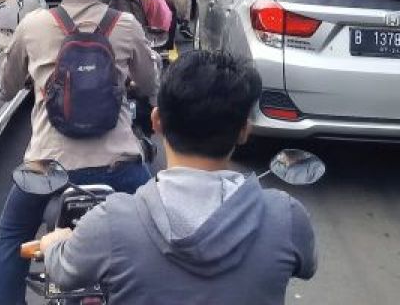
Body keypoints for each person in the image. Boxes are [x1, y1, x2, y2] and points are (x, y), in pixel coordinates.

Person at [39, 51, 317, 304]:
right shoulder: (287, 217)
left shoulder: (110, 222)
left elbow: (64, 272)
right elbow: (307, 266)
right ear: (244, 131)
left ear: (157, 121)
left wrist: (52, 244)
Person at [0, 0, 160, 305]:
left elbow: (8, 84)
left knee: (10, 236)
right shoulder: (125, 26)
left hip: (47, 168)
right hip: (120, 166)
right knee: (157, 231)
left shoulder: (33, 25)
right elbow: (150, 82)